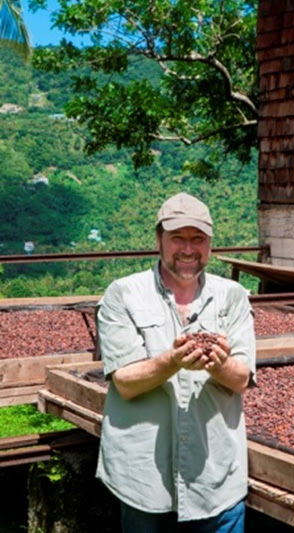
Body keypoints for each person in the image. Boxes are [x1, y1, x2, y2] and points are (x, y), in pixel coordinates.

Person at [96, 192, 256, 532]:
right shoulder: (123, 294)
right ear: (159, 240)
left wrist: (216, 363)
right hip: (143, 482)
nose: (187, 249)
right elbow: (124, 381)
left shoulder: (233, 296)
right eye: (177, 238)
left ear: (210, 243)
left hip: (216, 479)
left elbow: (241, 378)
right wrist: (173, 360)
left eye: (197, 239)